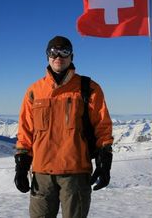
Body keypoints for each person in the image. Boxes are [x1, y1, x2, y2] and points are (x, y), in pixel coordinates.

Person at [14, 35, 113, 218]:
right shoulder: (34, 90)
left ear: (72, 56)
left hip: (75, 173)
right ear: (47, 56)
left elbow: (102, 126)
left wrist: (104, 160)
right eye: (53, 52)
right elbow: (25, 131)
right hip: (42, 174)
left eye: (64, 51)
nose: (58, 56)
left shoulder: (89, 88)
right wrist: (21, 164)